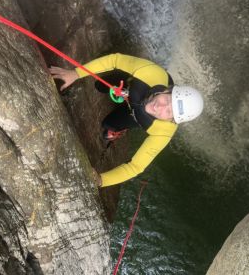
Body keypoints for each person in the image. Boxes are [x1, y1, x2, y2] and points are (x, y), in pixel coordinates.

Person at [50, 53, 203, 188]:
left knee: (108, 125)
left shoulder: (163, 132)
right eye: (167, 99)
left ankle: (120, 129)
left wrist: (101, 180)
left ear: (171, 120)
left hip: (137, 113)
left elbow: (136, 167)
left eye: (168, 111)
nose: (160, 106)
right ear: (166, 90)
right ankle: (124, 95)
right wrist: (75, 74)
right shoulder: (149, 73)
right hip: (133, 86)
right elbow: (115, 60)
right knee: (99, 85)